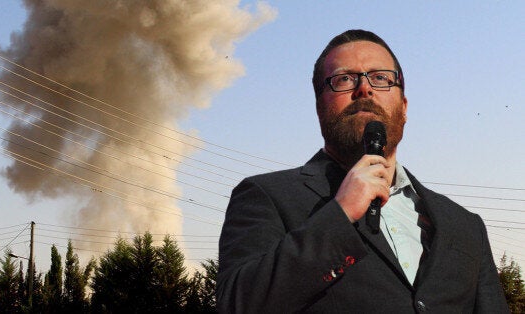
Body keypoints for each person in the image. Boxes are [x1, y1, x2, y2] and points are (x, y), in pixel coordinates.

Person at [217, 29, 508, 313]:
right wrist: (340, 214)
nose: (364, 88)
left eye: (381, 78)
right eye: (344, 79)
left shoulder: (465, 224)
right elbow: (238, 303)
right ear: (320, 108)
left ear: (404, 107)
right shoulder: (266, 196)